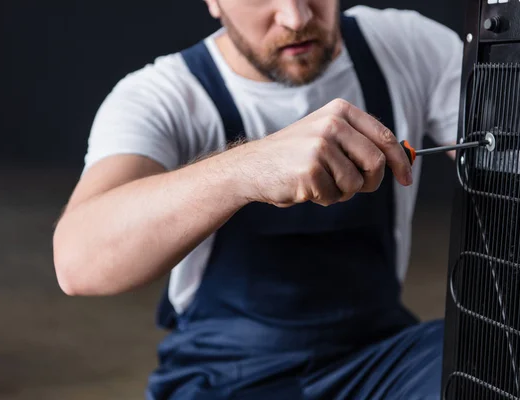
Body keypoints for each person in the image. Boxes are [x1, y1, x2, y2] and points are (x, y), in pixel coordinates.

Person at [53, 1, 463, 398]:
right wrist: (246, 168)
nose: (296, 17)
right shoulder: (162, 95)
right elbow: (78, 262)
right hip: (226, 378)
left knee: (480, 355)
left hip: (382, 364)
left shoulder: (404, 44)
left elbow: (516, 147)